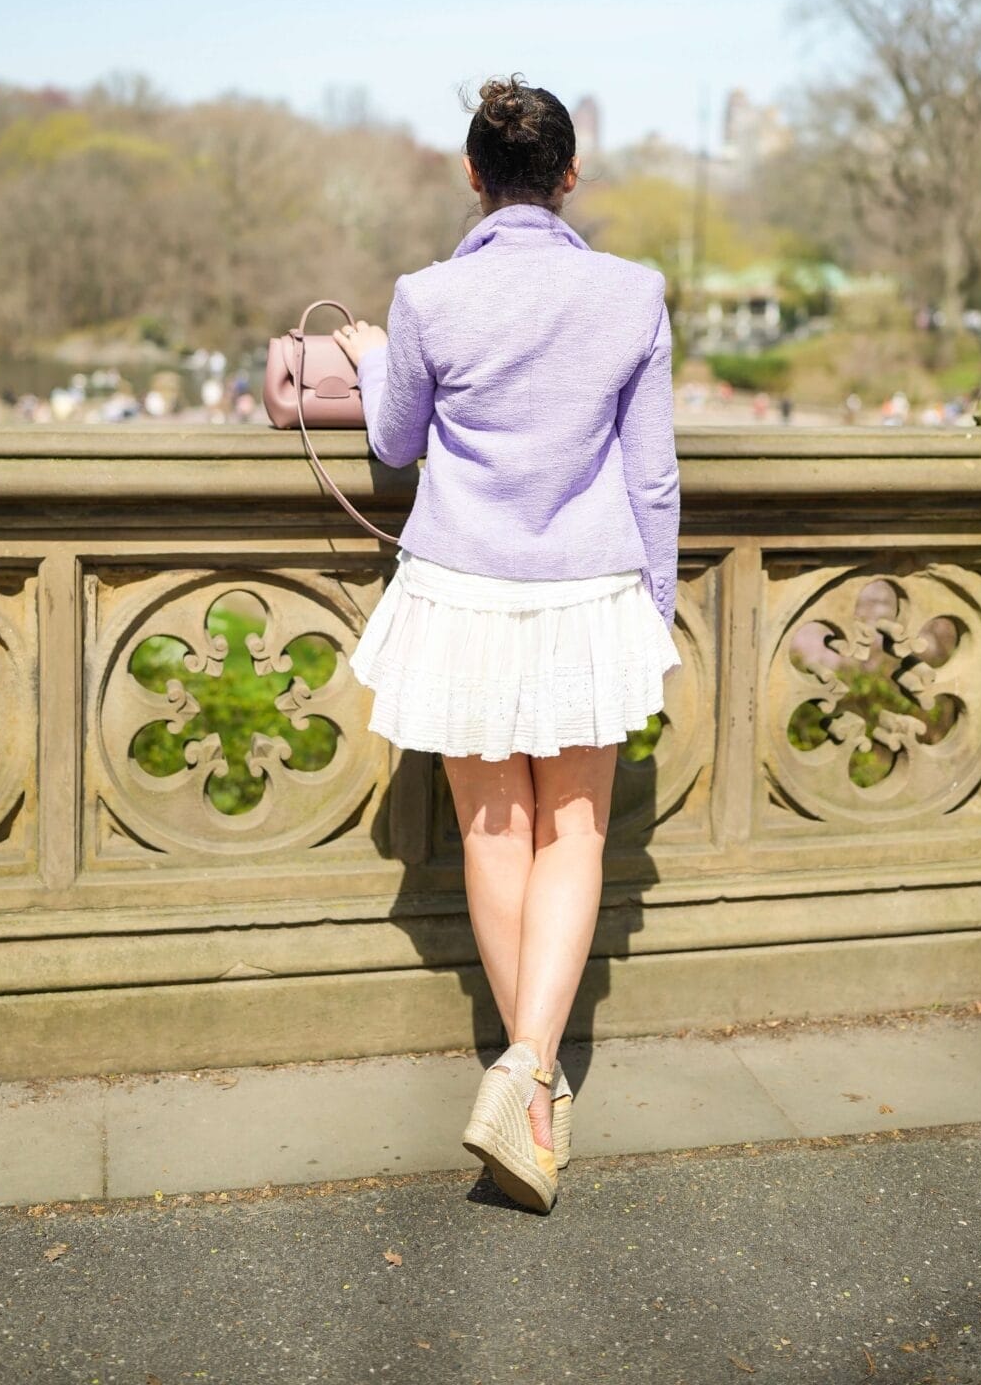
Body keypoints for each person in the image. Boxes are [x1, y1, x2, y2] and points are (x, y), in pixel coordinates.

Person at [333, 75, 681, 1216]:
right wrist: (657, 606)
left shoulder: (426, 298)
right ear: (568, 176)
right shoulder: (631, 292)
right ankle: (533, 1075)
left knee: (494, 834)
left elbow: (392, 440)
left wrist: (373, 348)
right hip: (588, 588)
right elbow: (651, 477)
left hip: (466, 587)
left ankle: (521, 1086)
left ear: (472, 176)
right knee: (573, 832)